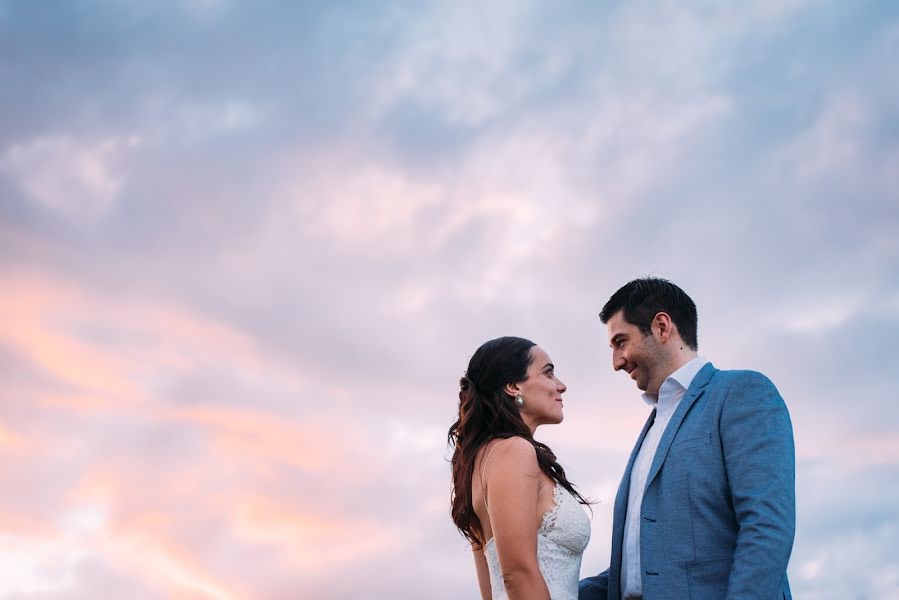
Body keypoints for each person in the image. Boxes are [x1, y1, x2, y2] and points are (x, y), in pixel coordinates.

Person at [579, 278, 795, 600]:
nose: (616, 362)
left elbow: (766, 527)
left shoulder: (741, 393)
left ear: (662, 327)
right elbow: (640, 568)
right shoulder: (652, 425)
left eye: (621, 341)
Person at [449, 336, 591, 600]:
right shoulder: (515, 451)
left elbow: (492, 591)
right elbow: (517, 574)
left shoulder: (482, 461)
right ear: (513, 386)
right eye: (548, 373)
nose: (561, 386)